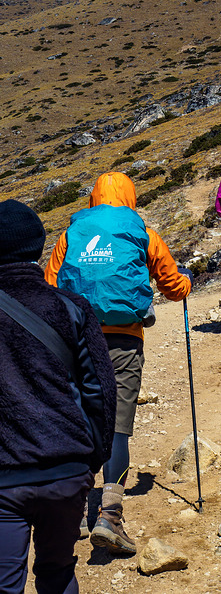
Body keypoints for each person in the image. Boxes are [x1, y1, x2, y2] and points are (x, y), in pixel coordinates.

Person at [45, 172, 192, 556]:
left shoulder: (71, 234)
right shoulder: (141, 231)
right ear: (130, 197)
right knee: (117, 428)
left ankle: (76, 508)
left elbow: (50, 283)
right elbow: (172, 286)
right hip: (125, 340)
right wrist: (187, 284)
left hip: (77, 339)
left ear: (93, 197)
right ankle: (109, 514)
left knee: (80, 420)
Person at [0, 199, 116, 594]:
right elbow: (101, 391)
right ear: (39, 246)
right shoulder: (72, 306)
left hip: (4, 479)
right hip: (67, 471)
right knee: (58, 571)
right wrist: (92, 459)